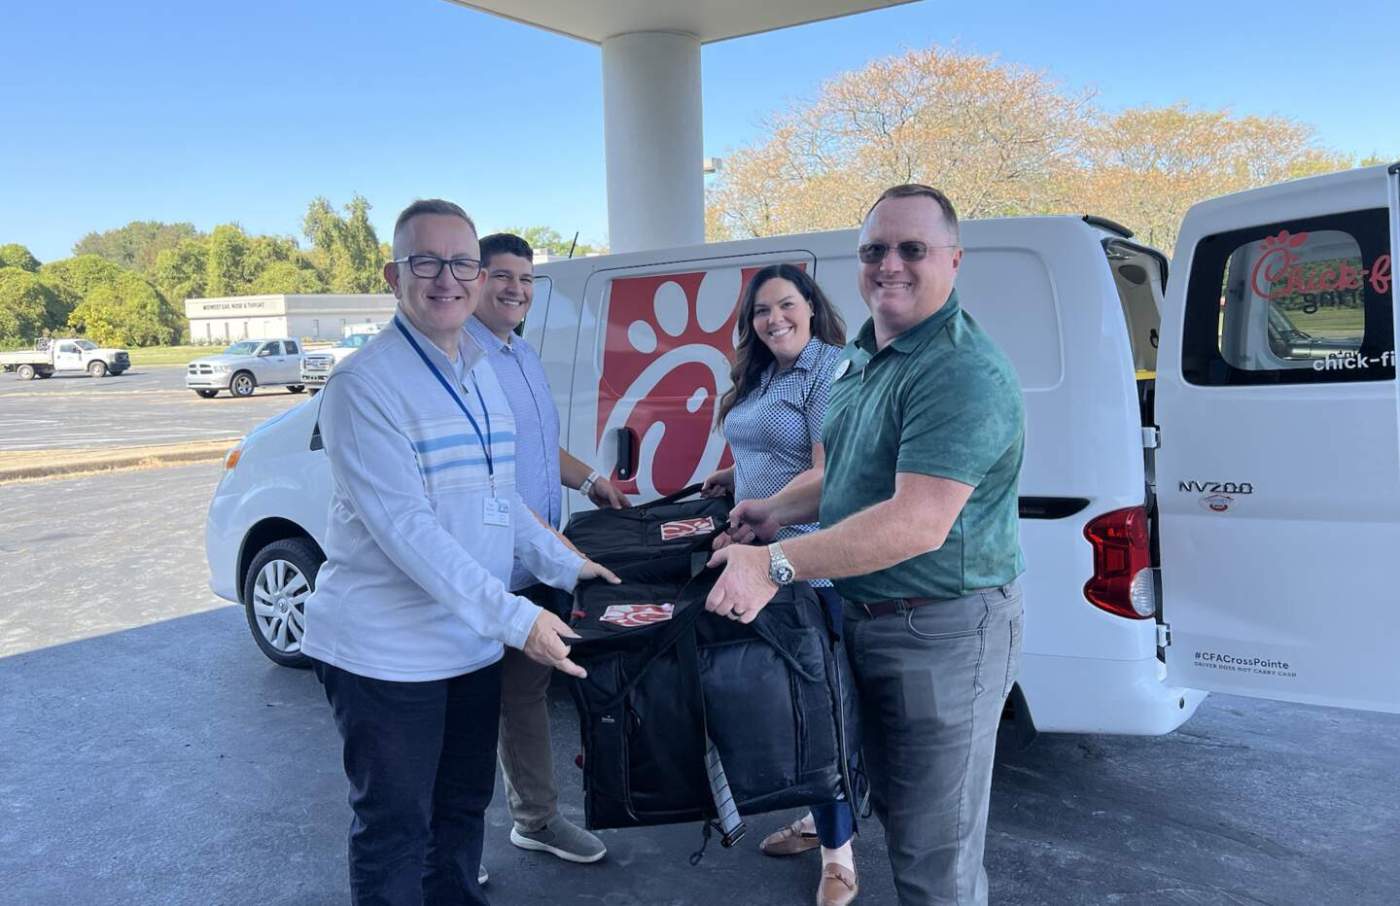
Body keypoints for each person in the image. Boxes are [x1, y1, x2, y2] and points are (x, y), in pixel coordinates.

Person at [705, 184, 1026, 906]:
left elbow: (916, 522)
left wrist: (776, 562)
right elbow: (848, 476)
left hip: (940, 630)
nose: (891, 265)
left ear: (953, 259)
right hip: (864, 619)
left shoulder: (959, 371)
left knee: (931, 859)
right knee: (879, 807)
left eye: (913, 249)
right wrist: (771, 510)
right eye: (875, 250)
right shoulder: (859, 357)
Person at [300, 199, 619, 906]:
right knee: (395, 830)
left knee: (460, 817)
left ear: (476, 278)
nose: (446, 278)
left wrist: (570, 565)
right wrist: (519, 620)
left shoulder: (481, 372)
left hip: (467, 648)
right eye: (426, 261)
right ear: (393, 275)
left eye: (461, 263)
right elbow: (408, 530)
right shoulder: (364, 385)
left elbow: (500, 501)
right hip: (386, 658)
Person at [466, 232, 628, 868]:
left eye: (526, 280)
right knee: (464, 705)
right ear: (474, 280)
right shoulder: (464, 362)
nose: (516, 289)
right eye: (501, 276)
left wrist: (591, 481)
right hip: (480, 569)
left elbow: (540, 449)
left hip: (536, 561)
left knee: (523, 694)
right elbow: (484, 483)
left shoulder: (522, 356)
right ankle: (454, 844)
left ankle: (534, 819)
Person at [698, 263, 858, 906]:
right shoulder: (761, 370)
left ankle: (839, 859)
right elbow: (760, 452)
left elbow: (826, 472)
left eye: (786, 306)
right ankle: (812, 818)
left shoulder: (830, 370)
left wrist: (761, 522)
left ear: (811, 307)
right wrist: (730, 481)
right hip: (758, 558)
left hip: (808, 561)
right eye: (762, 311)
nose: (774, 320)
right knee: (782, 710)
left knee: (818, 713)